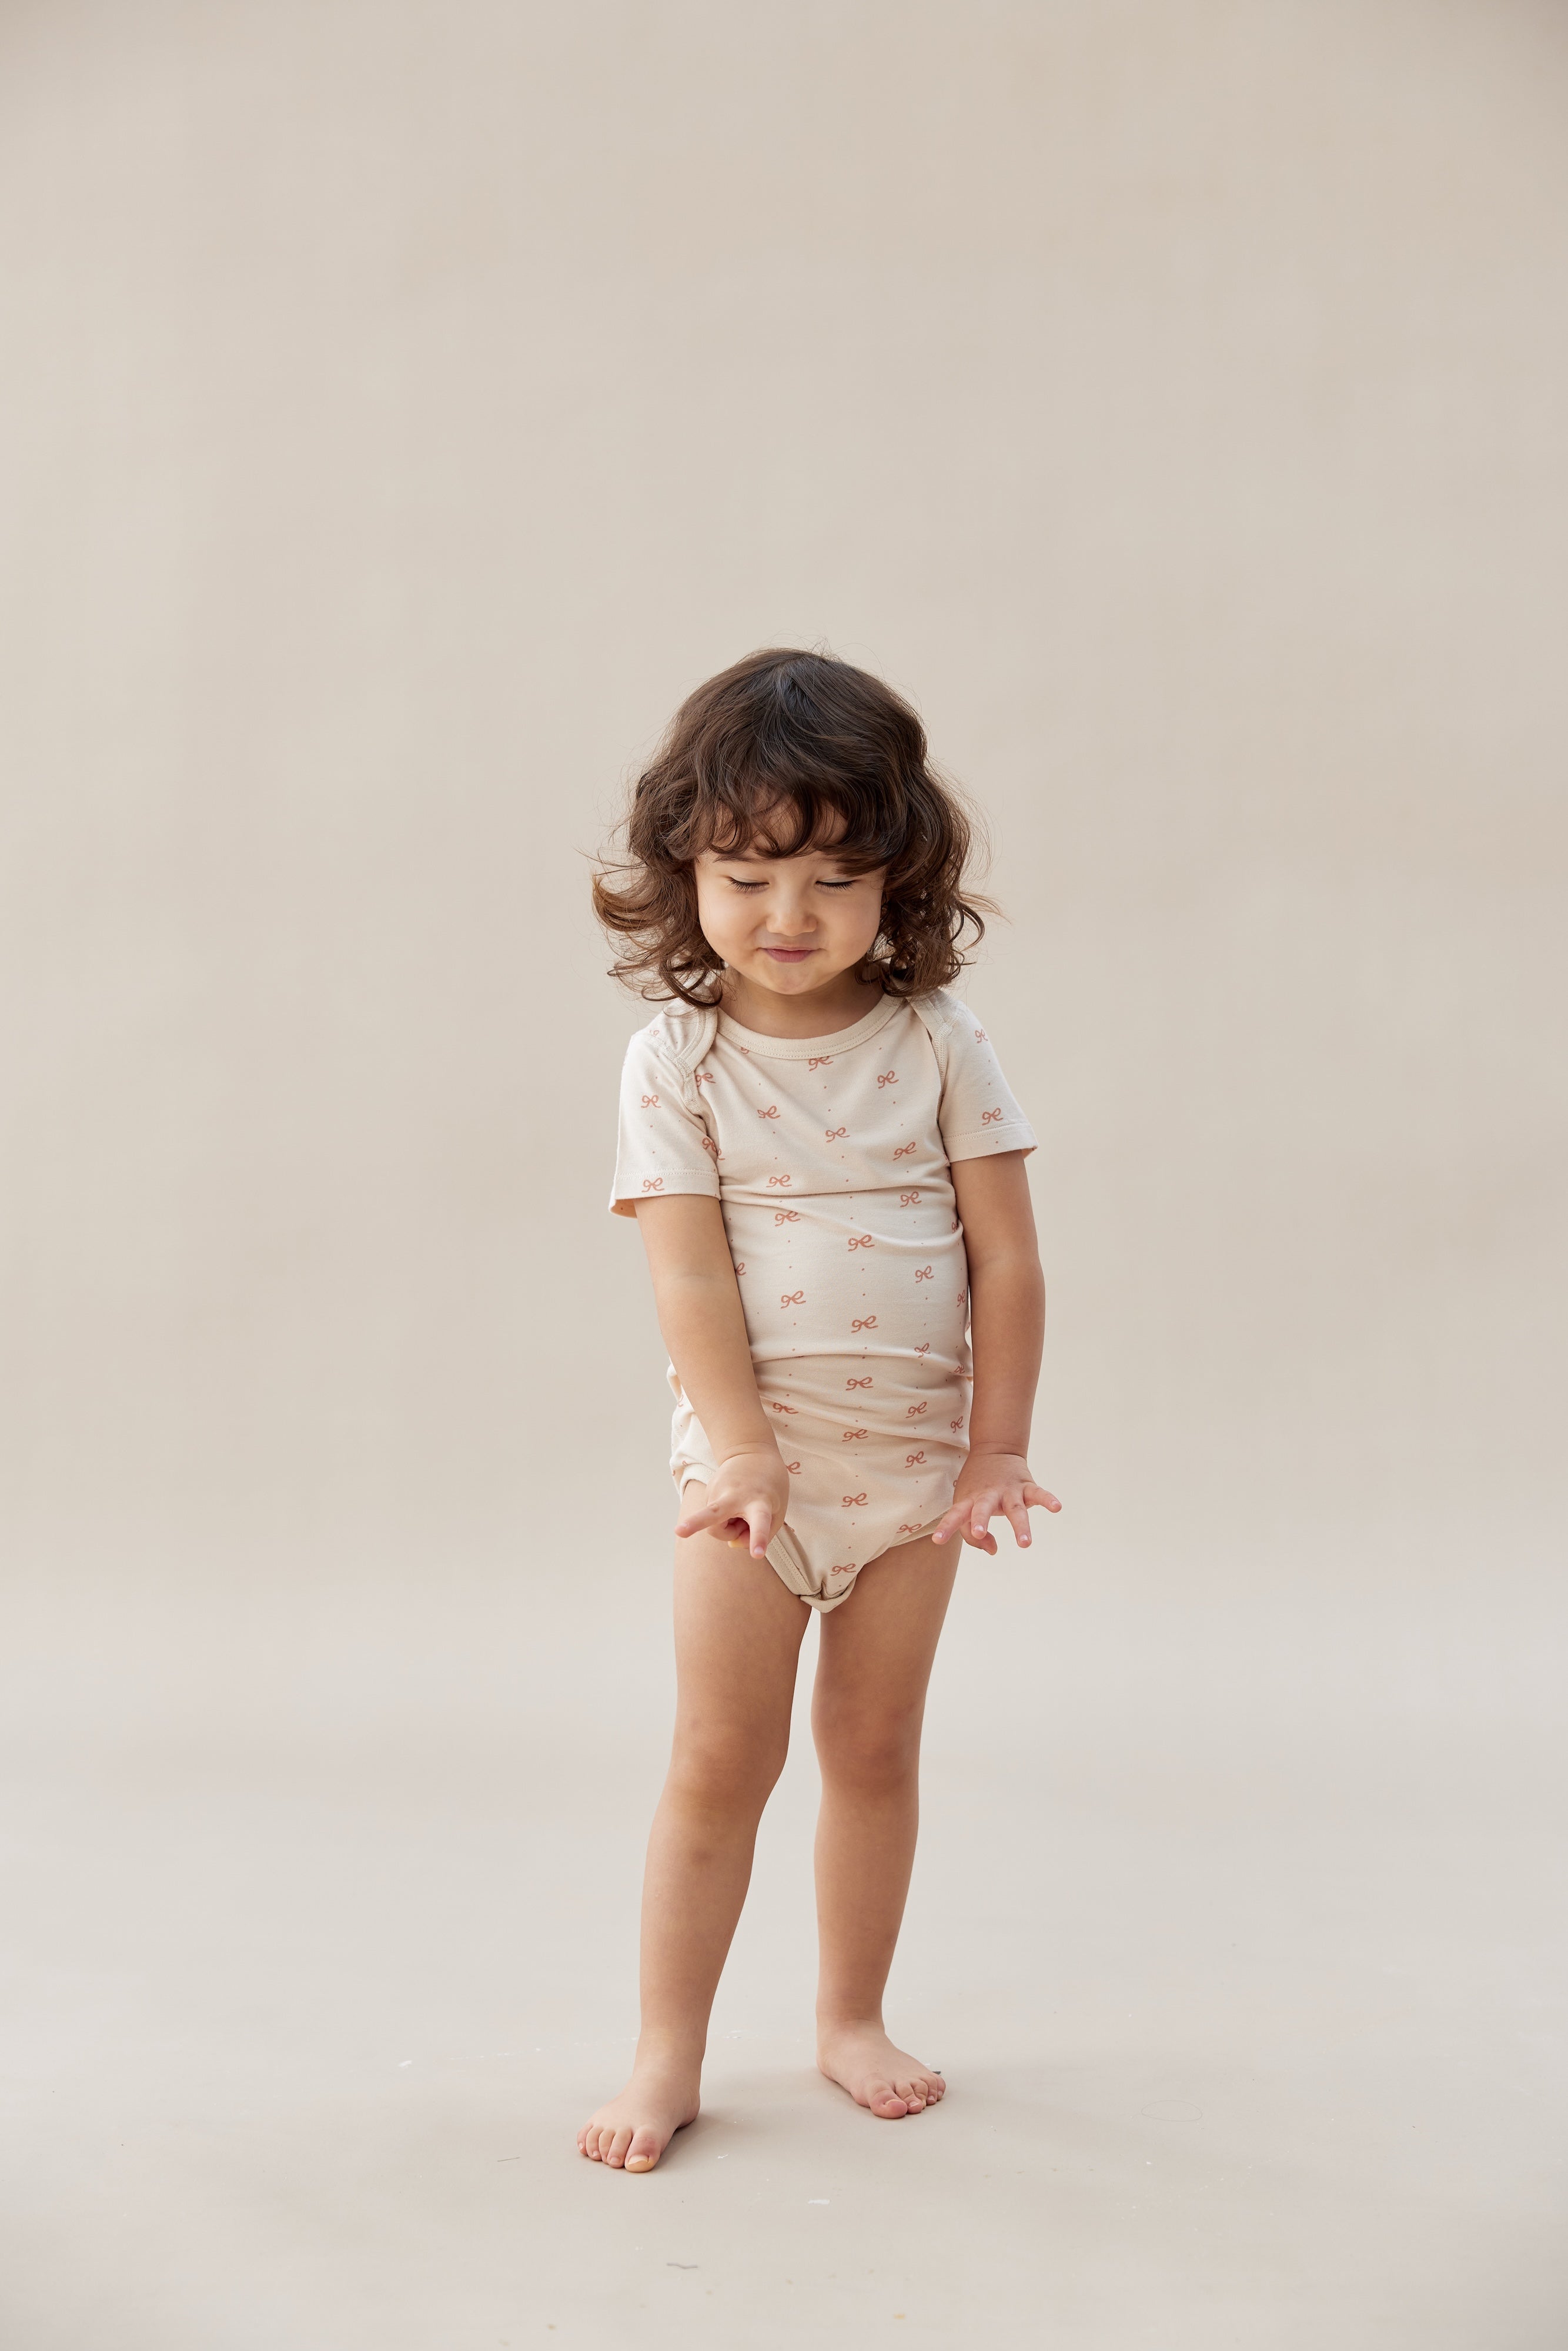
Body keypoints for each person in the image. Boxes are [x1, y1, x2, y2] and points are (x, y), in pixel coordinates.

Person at [579, 648, 1059, 2173]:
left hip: (913, 1473)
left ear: (896, 886)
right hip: (746, 1476)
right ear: (684, 871)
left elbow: (1008, 1259)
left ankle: (849, 2015)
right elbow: (692, 1282)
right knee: (719, 1756)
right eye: (746, 876)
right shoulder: (679, 1058)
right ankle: (668, 2049)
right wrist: (742, 1456)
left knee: (872, 1746)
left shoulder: (936, 1042)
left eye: (833, 883)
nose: (788, 919)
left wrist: (993, 1451)